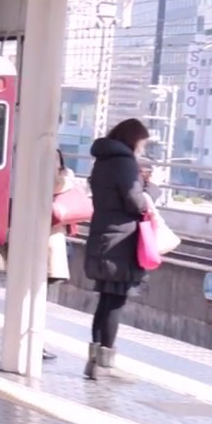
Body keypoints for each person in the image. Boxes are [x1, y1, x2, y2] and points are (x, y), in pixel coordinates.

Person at [82, 118, 152, 380]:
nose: (142, 148)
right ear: (133, 139)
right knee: (115, 300)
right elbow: (135, 202)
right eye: (142, 142)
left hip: (103, 234)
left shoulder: (103, 160)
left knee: (105, 300)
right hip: (120, 241)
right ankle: (106, 364)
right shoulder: (125, 162)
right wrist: (149, 191)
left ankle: (94, 361)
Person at [43, 149, 80, 362]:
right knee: (40, 295)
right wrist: (68, 179)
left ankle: (33, 341)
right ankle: (34, 342)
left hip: (44, 236)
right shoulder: (48, 151)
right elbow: (54, 183)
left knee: (39, 293)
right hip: (47, 237)